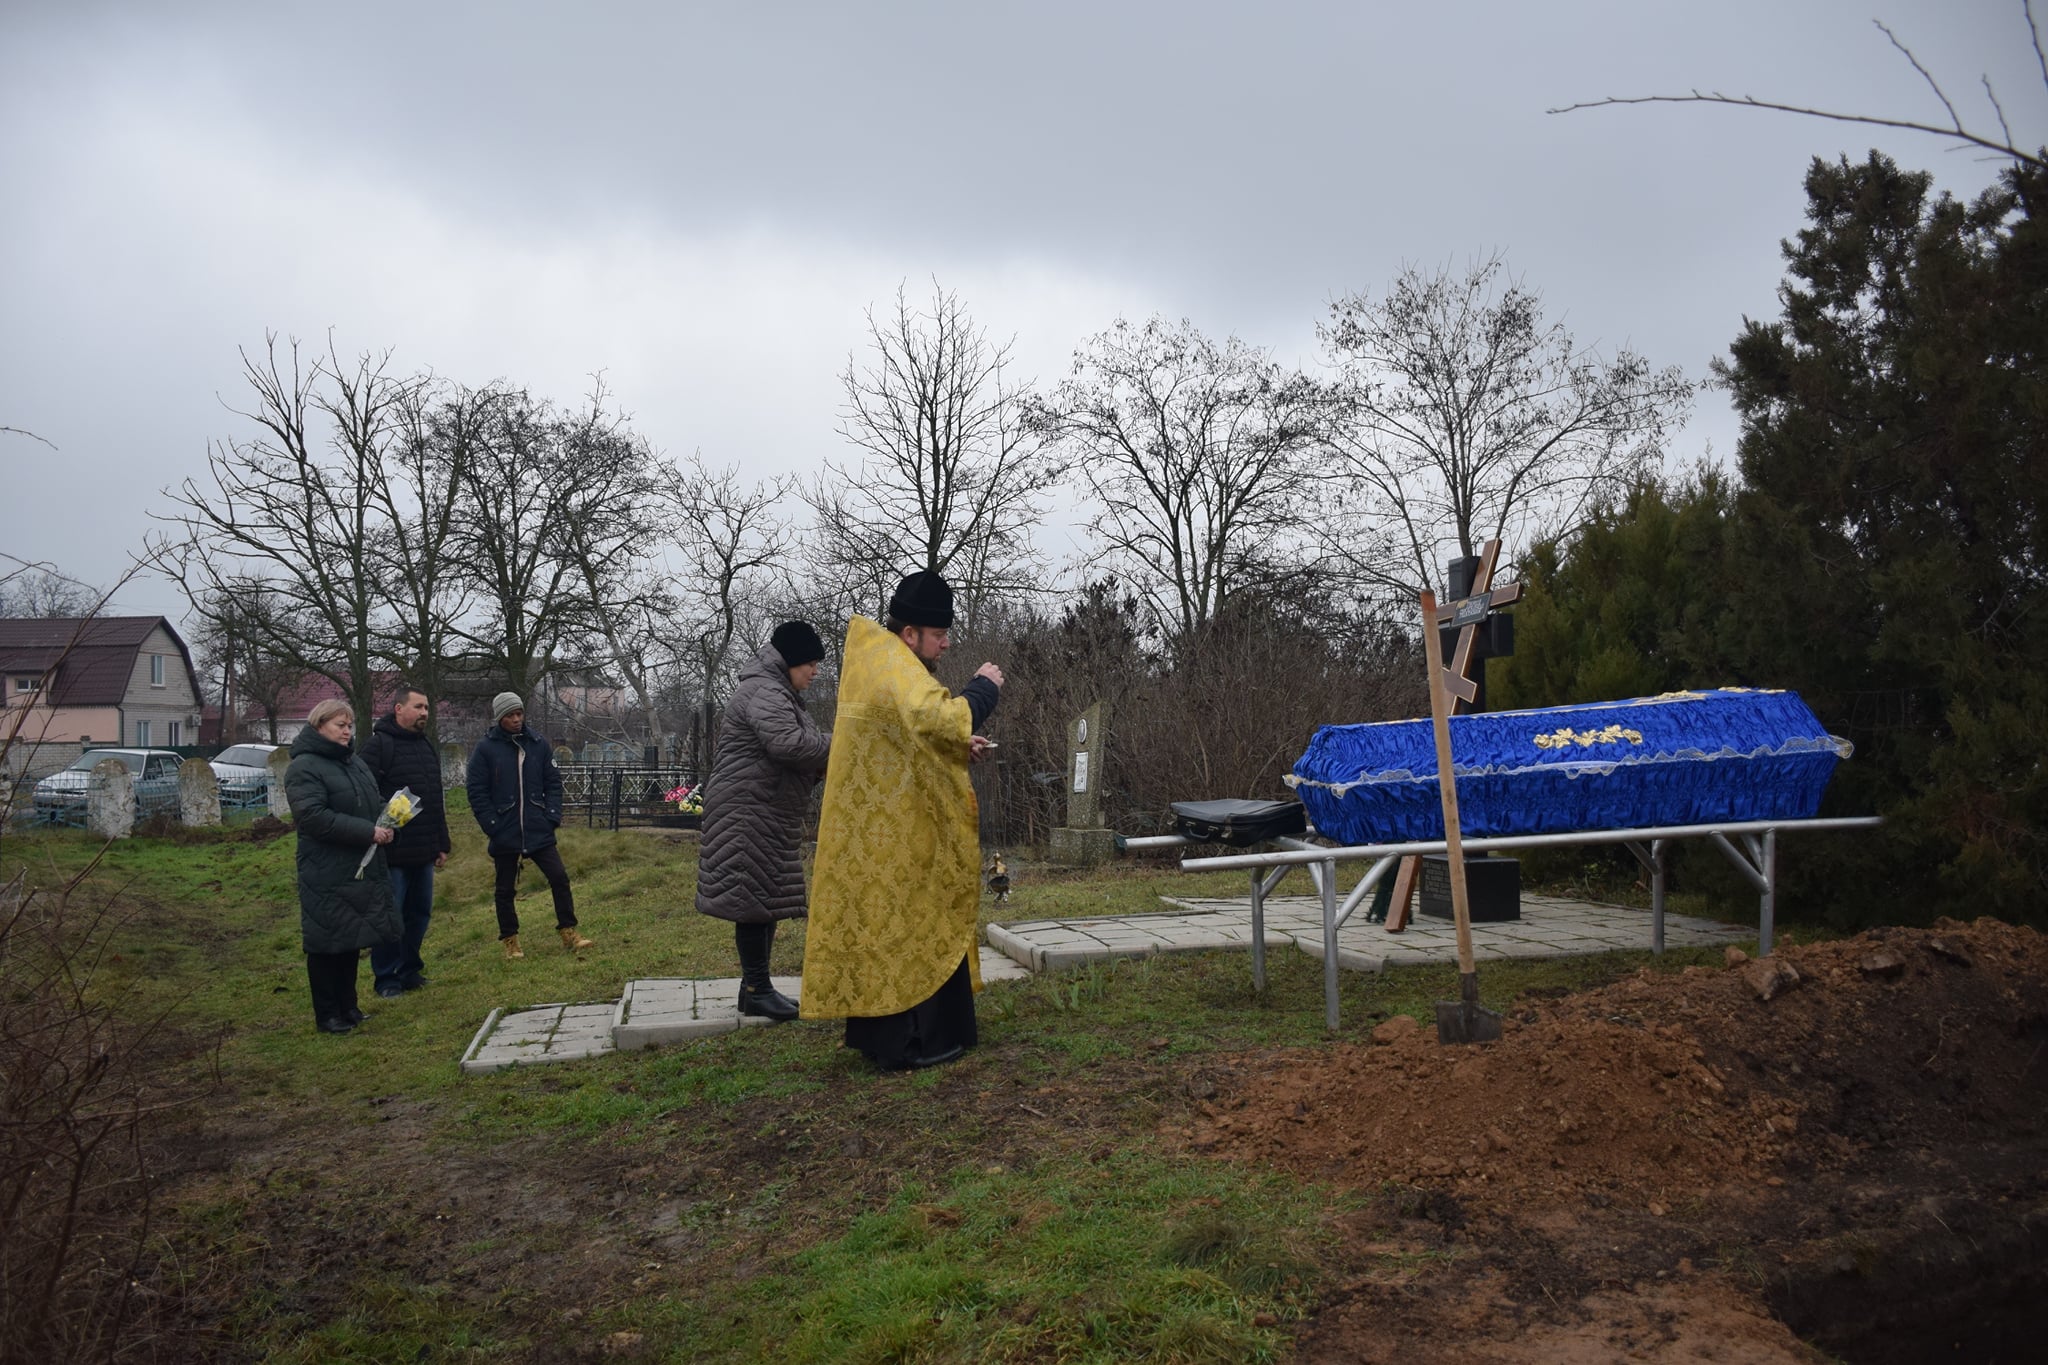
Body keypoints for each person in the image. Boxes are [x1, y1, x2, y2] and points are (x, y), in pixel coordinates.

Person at [800, 571, 1002, 1071]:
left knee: (890, 923)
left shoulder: (878, 660)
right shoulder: (895, 664)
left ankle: (891, 1038)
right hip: (895, 832)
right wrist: (984, 689)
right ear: (909, 632)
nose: (945, 643)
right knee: (909, 921)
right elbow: (937, 717)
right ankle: (913, 1042)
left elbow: (908, 736)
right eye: (938, 635)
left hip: (878, 826)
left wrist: (959, 747)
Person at [696, 621, 834, 1021]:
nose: (815, 671)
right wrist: (843, 740)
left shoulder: (776, 691)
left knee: (763, 897)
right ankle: (757, 989)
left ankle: (754, 989)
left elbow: (790, 750)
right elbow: (788, 744)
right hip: (748, 812)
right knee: (754, 899)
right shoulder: (765, 691)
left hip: (761, 810)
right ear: (790, 661)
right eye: (810, 663)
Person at [284, 698, 402, 1035]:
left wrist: (390, 816)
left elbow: (371, 799)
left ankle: (349, 1006)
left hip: (356, 866)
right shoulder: (303, 767)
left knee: (351, 938)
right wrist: (368, 832)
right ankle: (327, 1014)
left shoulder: (353, 763)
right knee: (326, 943)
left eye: (350, 725)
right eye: (340, 725)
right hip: (325, 868)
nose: (347, 731)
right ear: (319, 725)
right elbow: (313, 817)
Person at [465, 692, 594, 960]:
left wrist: (552, 816)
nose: (516, 719)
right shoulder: (486, 749)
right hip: (505, 828)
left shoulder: (538, 744)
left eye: (519, 714)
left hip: (538, 827)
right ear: (500, 717)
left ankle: (568, 931)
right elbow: (477, 791)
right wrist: (493, 825)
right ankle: (510, 940)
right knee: (505, 889)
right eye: (510, 715)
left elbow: (553, 782)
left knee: (559, 877)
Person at [361, 682, 452, 998]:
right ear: (398, 709)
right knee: (392, 916)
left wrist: (442, 843)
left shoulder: (426, 746)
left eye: (427, 707)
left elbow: (434, 798)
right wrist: (386, 816)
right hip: (393, 850)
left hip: (424, 849)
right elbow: (363, 793)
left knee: (419, 914)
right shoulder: (378, 746)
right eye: (418, 707)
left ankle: (410, 969)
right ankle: (386, 978)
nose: (424, 713)